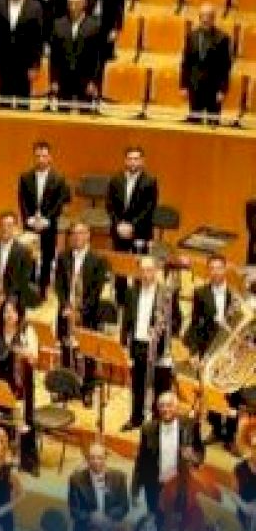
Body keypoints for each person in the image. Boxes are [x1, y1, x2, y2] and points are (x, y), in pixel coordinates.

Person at [186, 255, 242, 449]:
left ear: (225, 270)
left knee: (233, 394)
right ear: (208, 271)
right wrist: (193, 351)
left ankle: (230, 436)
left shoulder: (236, 295)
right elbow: (194, 324)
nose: (216, 272)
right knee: (210, 391)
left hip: (231, 353)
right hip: (208, 349)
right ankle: (217, 429)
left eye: (219, 268)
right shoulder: (200, 293)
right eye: (212, 268)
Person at [120, 257, 181, 430]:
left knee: (160, 386)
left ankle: (156, 421)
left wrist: (163, 330)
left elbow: (177, 320)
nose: (146, 274)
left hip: (158, 345)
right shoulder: (131, 292)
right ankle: (136, 418)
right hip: (138, 344)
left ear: (156, 271)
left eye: (149, 270)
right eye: (143, 270)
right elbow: (127, 319)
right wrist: (124, 343)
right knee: (137, 385)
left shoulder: (166, 293)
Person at [53, 221, 109, 403]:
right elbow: (59, 285)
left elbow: (96, 291)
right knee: (66, 350)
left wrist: (80, 311)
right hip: (66, 311)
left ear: (88, 235)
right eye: (73, 233)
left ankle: (87, 390)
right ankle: (66, 389)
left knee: (87, 353)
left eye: (81, 233)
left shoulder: (98, 260)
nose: (77, 237)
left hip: (87, 314)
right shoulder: (63, 257)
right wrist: (65, 306)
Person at [0, 296, 39, 473]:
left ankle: (26, 461)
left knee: (24, 423)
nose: (9, 315)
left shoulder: (27, 330)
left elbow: (34, 357)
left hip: (21, 385)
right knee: (1, 421)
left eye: (13, 311)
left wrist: (23, 351)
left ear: (19, 313)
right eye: (6, 311)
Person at [132, 392, 204, 516]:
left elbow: (200, 451)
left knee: (179, 518)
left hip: (180, 485)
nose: (166, 409)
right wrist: (135, 487)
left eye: (169, 405)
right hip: (155, 484)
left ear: (176, 407)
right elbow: (141, 459)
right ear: (158, 408)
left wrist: (193, 457)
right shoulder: (148, 429)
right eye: (162, 406)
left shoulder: (191, 425)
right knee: (156, 517)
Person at [106, 145, 159, 305]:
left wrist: (131, 226)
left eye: (136, 159)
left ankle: (137, 301)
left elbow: (149, 208)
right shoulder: (116, 180)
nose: (133, 162)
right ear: (125, 160)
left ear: (142, 161)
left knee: (140, 267)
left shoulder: (150, 181)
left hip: (140, 231)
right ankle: (120, 300)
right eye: (130, 159)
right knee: (120, 266)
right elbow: (110, 205)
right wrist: (119, 225)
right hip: (119, 230)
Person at [18, 140, 70, 297]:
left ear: (50, 157)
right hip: (30, 223)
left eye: (44, 156)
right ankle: (30, 284)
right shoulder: (25, 177)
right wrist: (29, 219)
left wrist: (46, 220)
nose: (41, 159)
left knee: (47, 256)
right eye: (38, 156)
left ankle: (43, 287)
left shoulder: (59, 178)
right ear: (34, 157)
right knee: (29, 255)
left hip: (49, 223)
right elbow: (22, 201)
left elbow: (59, 203)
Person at [67, 442, 129, 531]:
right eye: (92, 457)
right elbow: (74, 510)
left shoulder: (119, 477)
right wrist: (91, 516)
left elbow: (124, 506)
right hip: (86, 529)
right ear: (87, 459)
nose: (96, 461)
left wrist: (107, 517)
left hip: (111, 528)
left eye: (100, 457)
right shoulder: (76, 479)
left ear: (106, 458)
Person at [0, 0, 43, 107]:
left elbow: (37, 39)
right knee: (3, 102)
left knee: (23, 104)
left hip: (25, 63)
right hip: (3, 62)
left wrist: (35, 65)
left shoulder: (35, 7)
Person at [48, 0, 101, 111]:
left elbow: (97, 57)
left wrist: (93, 81)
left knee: (85, 114)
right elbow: (54, 56)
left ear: (84, 3)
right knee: (62, 114)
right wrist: (54, 80)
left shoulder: (94, 26)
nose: (73, 7)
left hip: (85, 79)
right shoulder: (58, 24)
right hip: (64, 78)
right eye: (70, 3)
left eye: (77, 3)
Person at [181, 3, 233, 125]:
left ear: (213, 18)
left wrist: (222, 90)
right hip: (195, 85)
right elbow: (186, 62)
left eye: (208, 16)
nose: (205, 19)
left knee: (212, 123)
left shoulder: (222, 38)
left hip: (213, 87)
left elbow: (225, 66)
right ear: (199, 17)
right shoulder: (191, 36)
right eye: (203, 16)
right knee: (194, 122)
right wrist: (183, 85)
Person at [75, 0, 126, 79]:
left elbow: (120, 2)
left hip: (107, 23)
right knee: (83, 57)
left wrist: (116, 27)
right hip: (86, 21)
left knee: (103, 60)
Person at [0, 211, 36, 309]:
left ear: (15, 228)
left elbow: (23, 279)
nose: (5, 229)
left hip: (13, 300)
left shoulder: (24, 251)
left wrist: (5, 297)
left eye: (9, 225)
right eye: (2, 225)